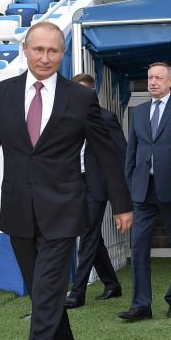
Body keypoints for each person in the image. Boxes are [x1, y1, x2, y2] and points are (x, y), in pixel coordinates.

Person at [0, 22, 133, 340]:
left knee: (45, 294)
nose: (45, 58)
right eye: (38, 50)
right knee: (39, 292)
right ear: (25, 49)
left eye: (53, 52)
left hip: (63, 211)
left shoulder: (79, 98)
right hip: (17, 212)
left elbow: (106, 152)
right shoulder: (0, 94)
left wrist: (122, 204)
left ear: (63, 53)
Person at [121, 62, 171, 321]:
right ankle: (141, 305)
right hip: (143, 190)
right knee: (138, 248)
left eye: (158, 78)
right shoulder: (138, 112)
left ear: (170, 82)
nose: (152, 82)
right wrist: (130, 186)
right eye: (150, 77)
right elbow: (132, 153)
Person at [64, 73, 126, 309]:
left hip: (96, 186)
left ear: (91, 93)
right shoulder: (67, 119)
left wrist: (121, 192)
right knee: (94, 237)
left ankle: (77, 292)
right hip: (74, 184)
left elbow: (121, 153)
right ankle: (112, 283)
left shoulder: (106, 118)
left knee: (87, 236)